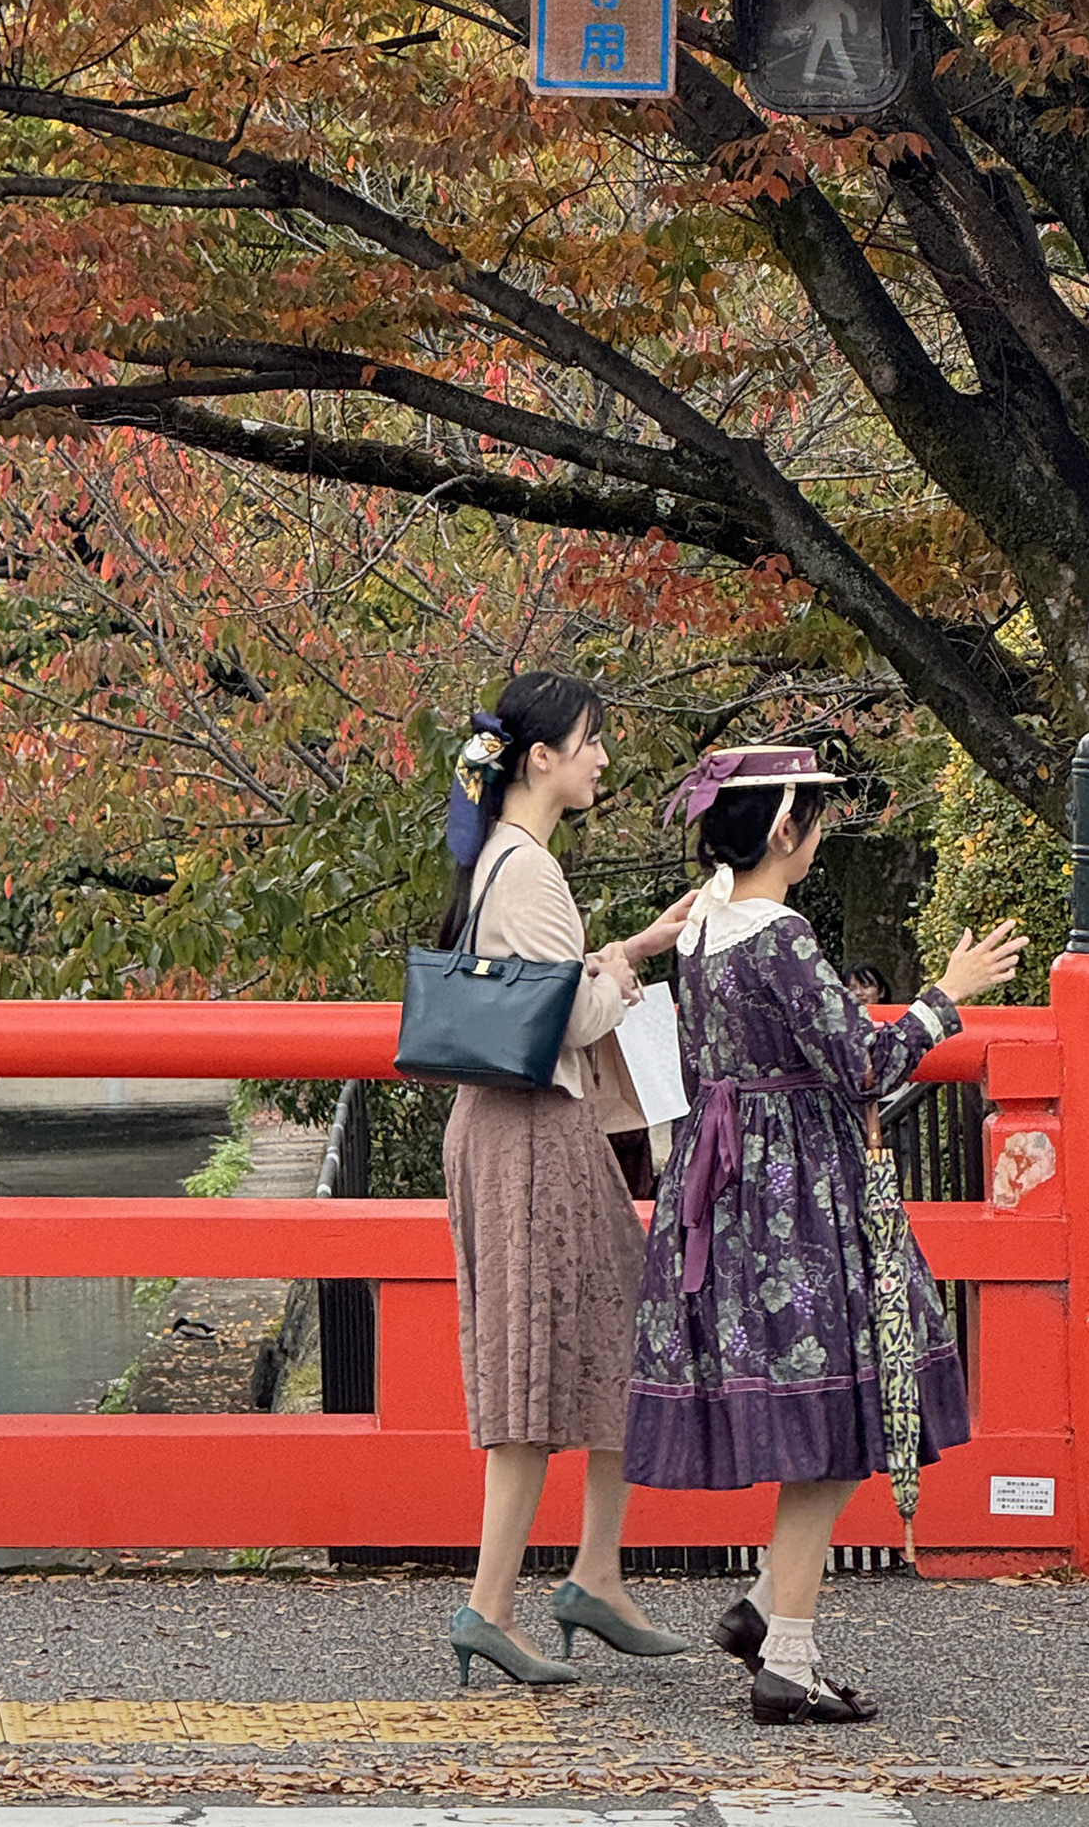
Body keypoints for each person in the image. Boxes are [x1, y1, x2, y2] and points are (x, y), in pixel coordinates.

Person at [623, 745, 1025, 1725]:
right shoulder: (780, 933)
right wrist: (948, 990)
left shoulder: (701, 931)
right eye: (812, 819)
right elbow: (862, 1063)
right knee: (843, 1412)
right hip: (801, 1195)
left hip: (721, 1194)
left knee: (830, 1416)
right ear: (782, 831)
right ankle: (785, 1653)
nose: (818, 836)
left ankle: (771, 1614)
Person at [438, 671, 702, 1688]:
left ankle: (588, 1574)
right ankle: (497, 1601)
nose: (600, 757)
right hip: (537, 1130)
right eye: (591, 741)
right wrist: (631, 974)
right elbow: (568, 1018)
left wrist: (626, 946)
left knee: (598, 1333)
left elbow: (538, 989)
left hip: (509, 1126)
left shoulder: (494, 859)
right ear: (539, 755)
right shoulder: (531, 869)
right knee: (544, 1359)